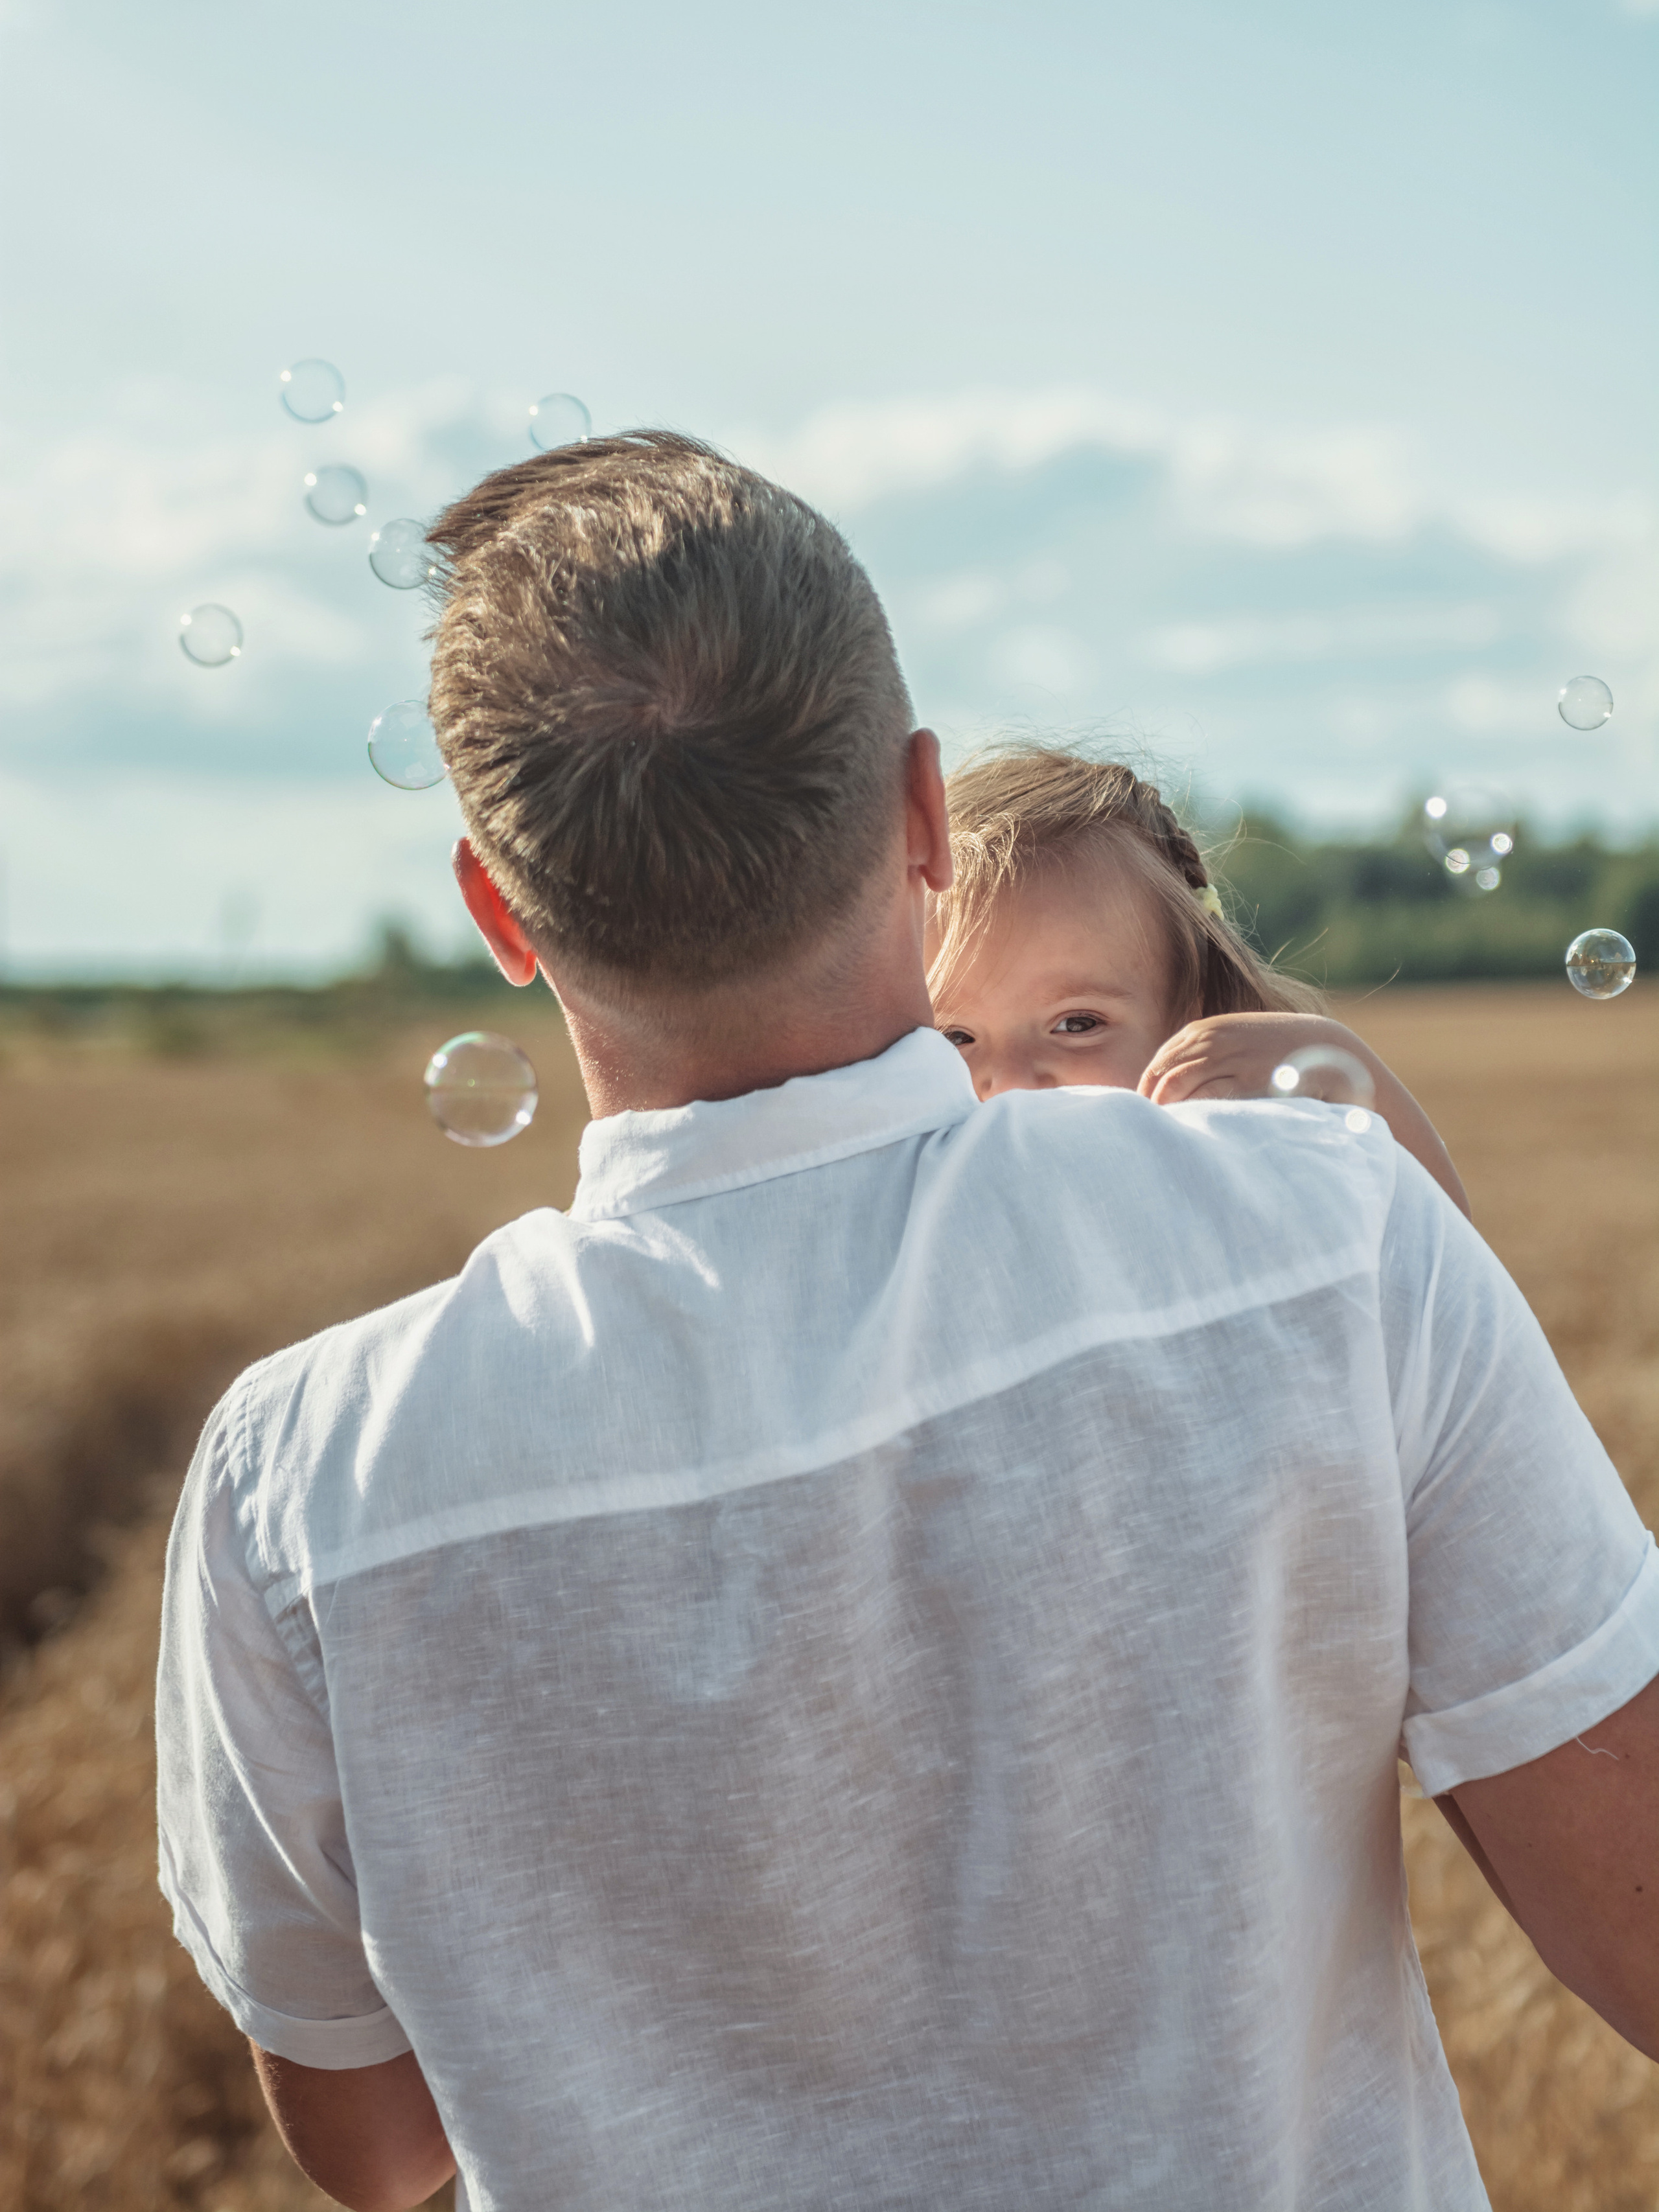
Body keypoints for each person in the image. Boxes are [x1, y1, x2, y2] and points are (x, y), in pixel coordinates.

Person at [156, 432, 1659, 2212]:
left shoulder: (297, 1487)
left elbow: (380, 2145)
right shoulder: (1327, 1232)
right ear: (927, 816)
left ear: (499, 908)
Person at [926, 743, 1470, 1214]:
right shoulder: (930, 1191)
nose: (1013, 1086)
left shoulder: (1234, 1169)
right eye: (956, 1036)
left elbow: (1440, 1254)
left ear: (1194, 1015)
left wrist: (1330, 1055)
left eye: (1078, 1023)